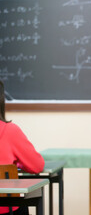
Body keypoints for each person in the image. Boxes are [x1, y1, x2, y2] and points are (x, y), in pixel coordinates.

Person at [0, 81, 45, 215]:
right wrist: (17, 163)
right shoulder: (9, 130)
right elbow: (37, 166)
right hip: (5, 209)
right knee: (22, 202)